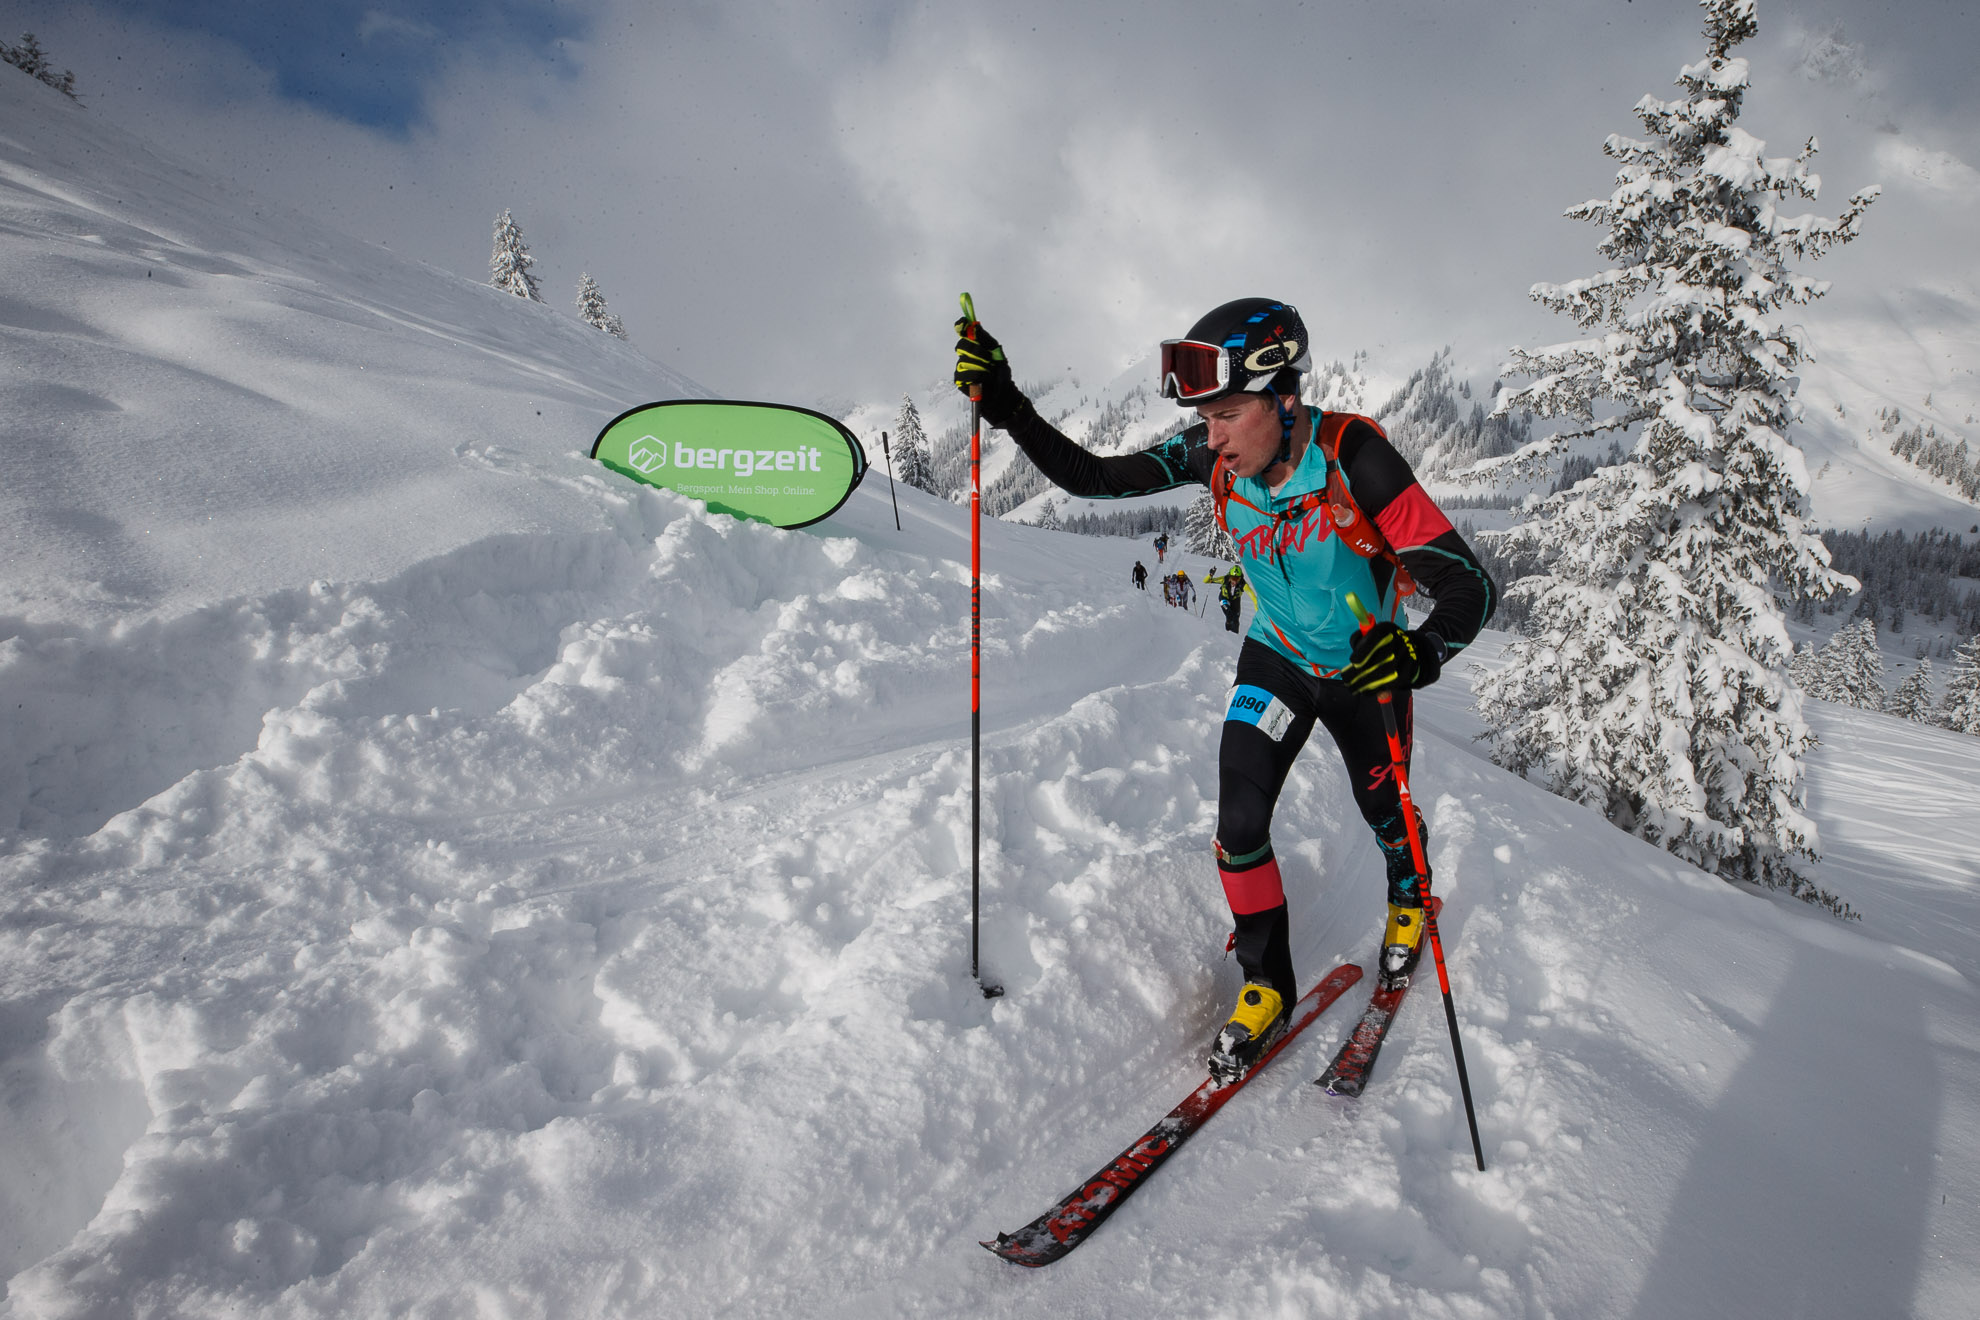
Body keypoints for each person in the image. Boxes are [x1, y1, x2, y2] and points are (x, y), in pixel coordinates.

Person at [955, 297, 1495, 1082]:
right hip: (1276, 661)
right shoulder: (1213, 456)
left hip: (1364, 670)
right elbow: (1093, 479)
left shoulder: (1357, 458)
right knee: (1239, 821)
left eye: (1227, 416)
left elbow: (1469, 586)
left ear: (1284, 398)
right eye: (1203, 419)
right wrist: (1005, 404)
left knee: (1385, 808)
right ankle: (1268, 985)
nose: (1208, 438)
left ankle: (1409, 898)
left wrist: (1420, 651)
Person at [1219, 565, 1246, 634]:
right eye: (1233, 578)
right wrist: (1210, 575)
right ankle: (1227, 634)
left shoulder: (1242, 583)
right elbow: (1206, 580)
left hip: (1235, 600)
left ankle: (1234, 638)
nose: (1235, 581)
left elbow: (1252, 595)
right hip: (1224, 597)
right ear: (1230, 577)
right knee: (1229, 614)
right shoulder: (1225, 579)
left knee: (1236, 620)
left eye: (1237, 579)